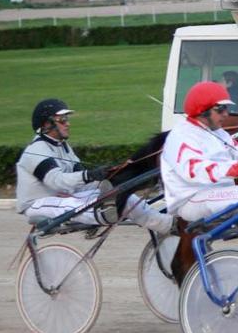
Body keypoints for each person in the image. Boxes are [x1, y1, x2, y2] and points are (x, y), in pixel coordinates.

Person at [16, 98, 174, 235]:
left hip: (63, 197)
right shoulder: (36, 150)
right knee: (81, 206)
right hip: (37, 204)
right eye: (62, 120)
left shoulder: (63, 147)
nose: (68, 124)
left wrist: (107, 177)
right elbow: (57, 181)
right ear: (46, 124)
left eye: (67, 119)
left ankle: (167, 225)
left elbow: (80, 179)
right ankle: (101, 216)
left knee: (125, 196)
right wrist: (88, 175)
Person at [160, 81, 238, 222]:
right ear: (203, 110)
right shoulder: (181, 135)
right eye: (220, 109)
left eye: (226, 108)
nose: (226, 114)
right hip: (192, 200)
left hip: (219, 194)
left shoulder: (218, 132)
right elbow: (193, 170)